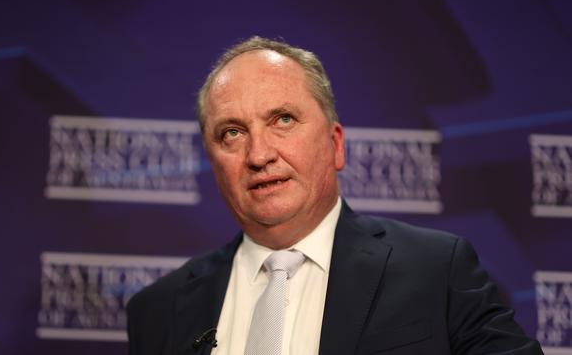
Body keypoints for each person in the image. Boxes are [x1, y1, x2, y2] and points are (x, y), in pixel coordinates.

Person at [126, 36, 543, 355]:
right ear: (213, 162)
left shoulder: (437, 271)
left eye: (283, 119)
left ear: (336, 143)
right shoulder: (158, 311)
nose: (259, 154)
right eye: (231, 133)